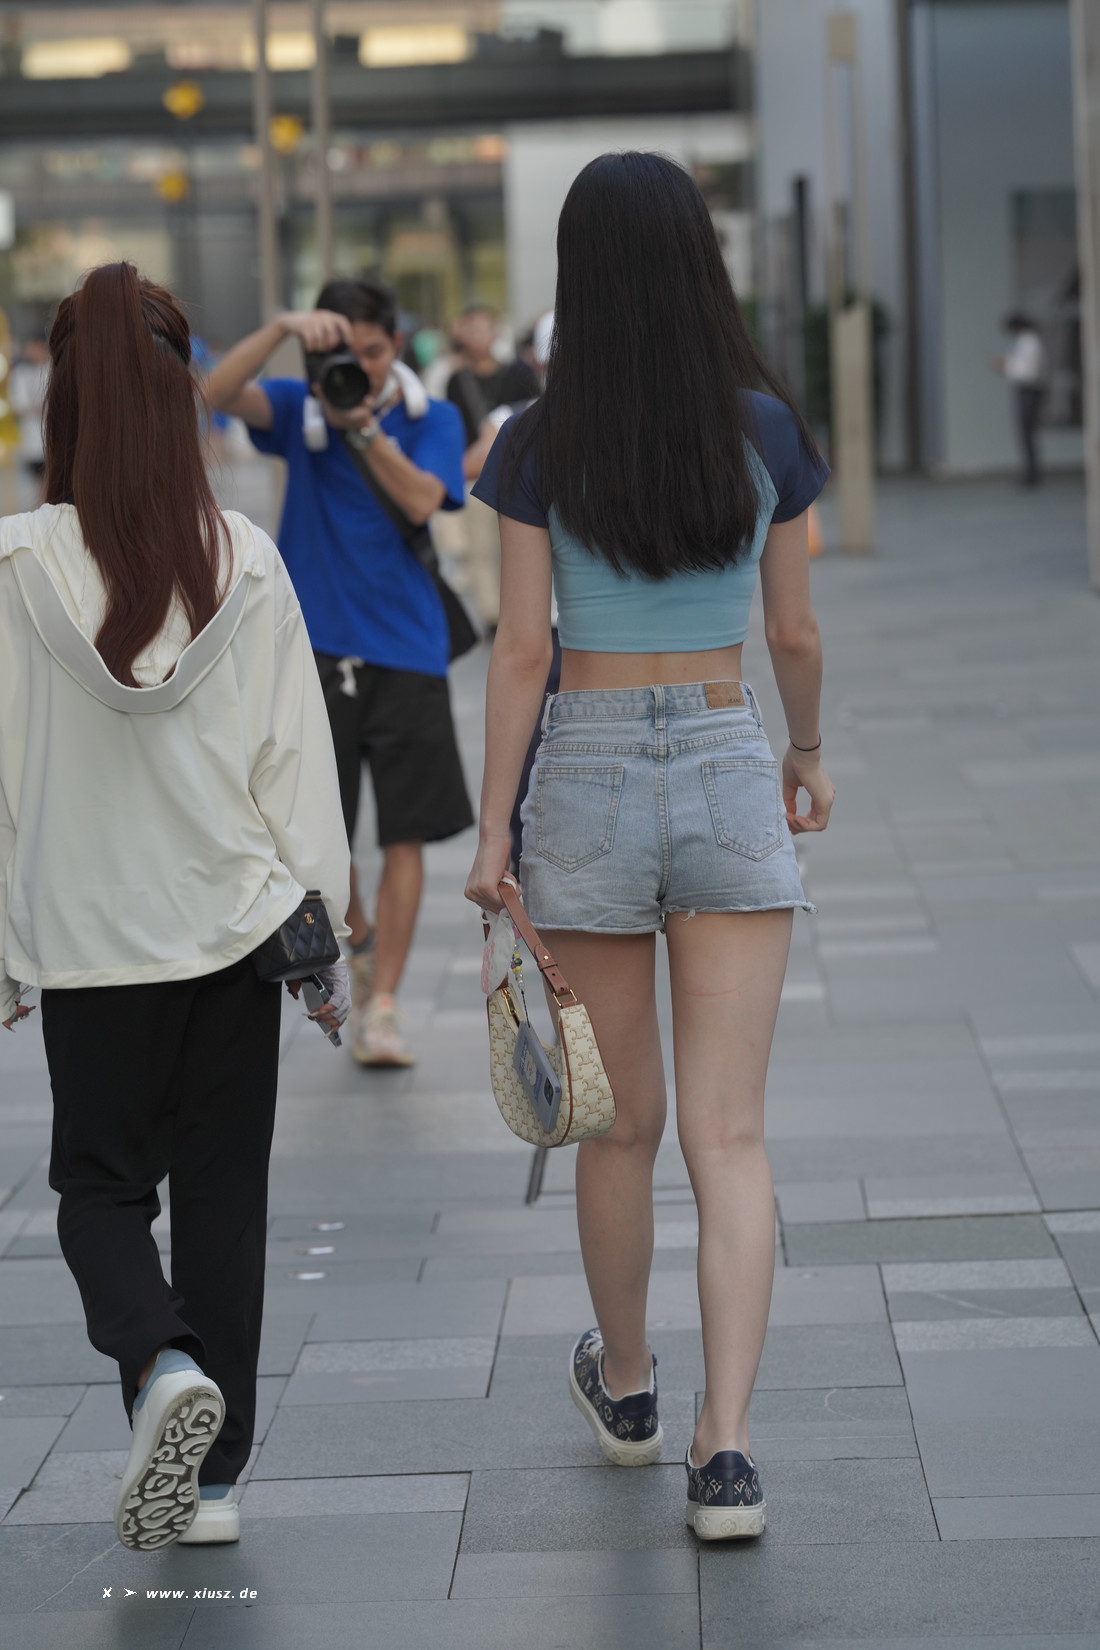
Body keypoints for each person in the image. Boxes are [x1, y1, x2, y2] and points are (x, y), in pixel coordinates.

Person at [465, 153, 834, 1541]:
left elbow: (519, 653)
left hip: (587, 768)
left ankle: (626, 1389)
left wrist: (493, 830)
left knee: (619, 1125)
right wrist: (805, 751)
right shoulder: (763, 428)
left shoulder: (534, 440)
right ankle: (724, 1451)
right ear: (698, 263)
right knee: (728, 1133)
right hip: (730, 755)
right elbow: (793, 630)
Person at [0, 263, 351, 1551]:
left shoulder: (13, 566)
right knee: (220, 1200)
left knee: (98, 1189)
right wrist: (321, 943)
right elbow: (294, 769)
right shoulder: (244, 560)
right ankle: (210, 1481)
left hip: (88, 939)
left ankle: (161, 1365)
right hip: (232, 930)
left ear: (70, 403)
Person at [206, 280, 473, 1067]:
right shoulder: (301, 407)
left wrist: (364, 430)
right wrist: (283, 328)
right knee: (324, 829)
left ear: (398, 346)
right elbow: (211, 395)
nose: (361, 367)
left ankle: (382, 1005)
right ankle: (361, 943)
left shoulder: (431, 417)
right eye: (345, 354)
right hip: (312, 651)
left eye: (375, 352)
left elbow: (423, 501)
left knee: (406, 833)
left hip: (408, 649)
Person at [994, 312, 1046, 487]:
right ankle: (1030, 471)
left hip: (1029, 389)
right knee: (1025, 433)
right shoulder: (1026, 341)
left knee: (1027, 433)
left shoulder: (1029, 342)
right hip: (1025, 389)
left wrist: (1005, 367)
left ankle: (1032, 473)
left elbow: (1027, 372)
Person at [8, 335, 50, 486]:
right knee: (35, 483)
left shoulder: (53, 369)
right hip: (31, 439)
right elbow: (19, 406)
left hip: (52, 438)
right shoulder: (21, 373)